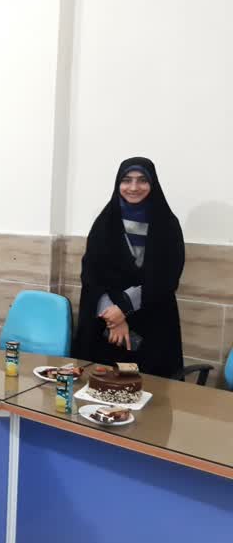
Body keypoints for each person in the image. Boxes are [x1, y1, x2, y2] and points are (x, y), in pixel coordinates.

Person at [74, 157, 185, 378]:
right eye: (126, 180)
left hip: (151, 320)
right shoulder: (105, 223)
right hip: (105, 324)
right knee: (99, 386)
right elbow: (91, 274)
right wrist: (112, 316)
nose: (134, 187)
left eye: (142, 180)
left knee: (149, 390)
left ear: (152, 184)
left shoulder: (167, 225)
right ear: (118, 183)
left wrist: (122, 309)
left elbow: (167, 277)